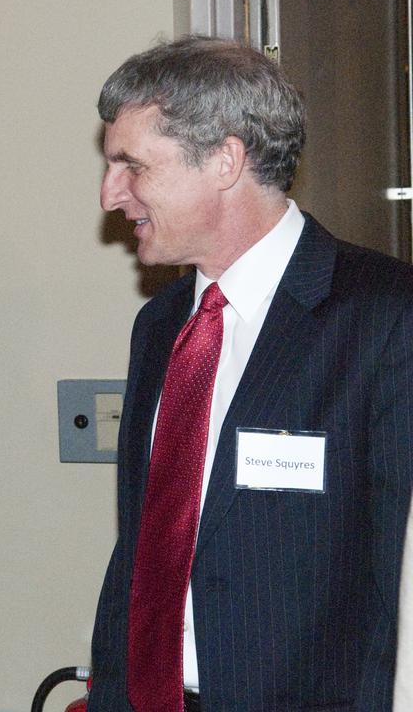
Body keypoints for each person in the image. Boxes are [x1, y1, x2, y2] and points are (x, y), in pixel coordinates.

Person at [88, 35, 413, 711]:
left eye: (133, 166)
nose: (110, 194)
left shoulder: (385, 318)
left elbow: (394, 573)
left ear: (226, 160)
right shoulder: (161, 324)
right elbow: (142, 552)